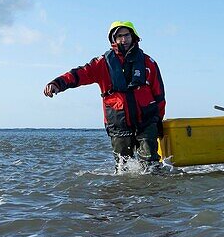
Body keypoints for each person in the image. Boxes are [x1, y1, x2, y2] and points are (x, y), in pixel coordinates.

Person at [43, 21, 166, 169]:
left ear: (133, 36)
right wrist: (57, 84)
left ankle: (153, 192)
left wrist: (158, 119)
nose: (123, 39)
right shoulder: (102, 63)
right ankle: (128, 192)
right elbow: (79, 74)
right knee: (123, 167)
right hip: (118, 122)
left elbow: (159, 94)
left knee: (151, 164)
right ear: (113, 39)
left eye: (126, 35)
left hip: (146, 121)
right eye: (119, 36)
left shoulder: (148, 62)